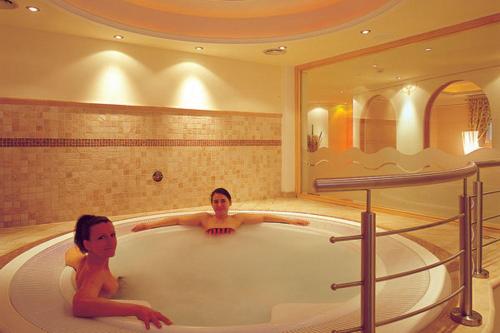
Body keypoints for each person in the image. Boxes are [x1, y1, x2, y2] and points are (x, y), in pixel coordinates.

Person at [65, 215, 172, 329]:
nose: (111, 242)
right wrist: (137, 309)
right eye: (101, 238)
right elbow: (79, 305)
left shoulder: (84, 261)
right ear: (87, 244)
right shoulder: (97, 274)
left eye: (112, 235)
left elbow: (70, 253)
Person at [132, 188, 309, 235]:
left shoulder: (237, 219)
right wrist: (148, 225)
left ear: (230, 203)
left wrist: (291, 221)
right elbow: (177, 219)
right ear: (211, 204)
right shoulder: (204, 219)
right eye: (215, 201)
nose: (219, 205)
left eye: (222, 201)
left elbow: (264, 217)